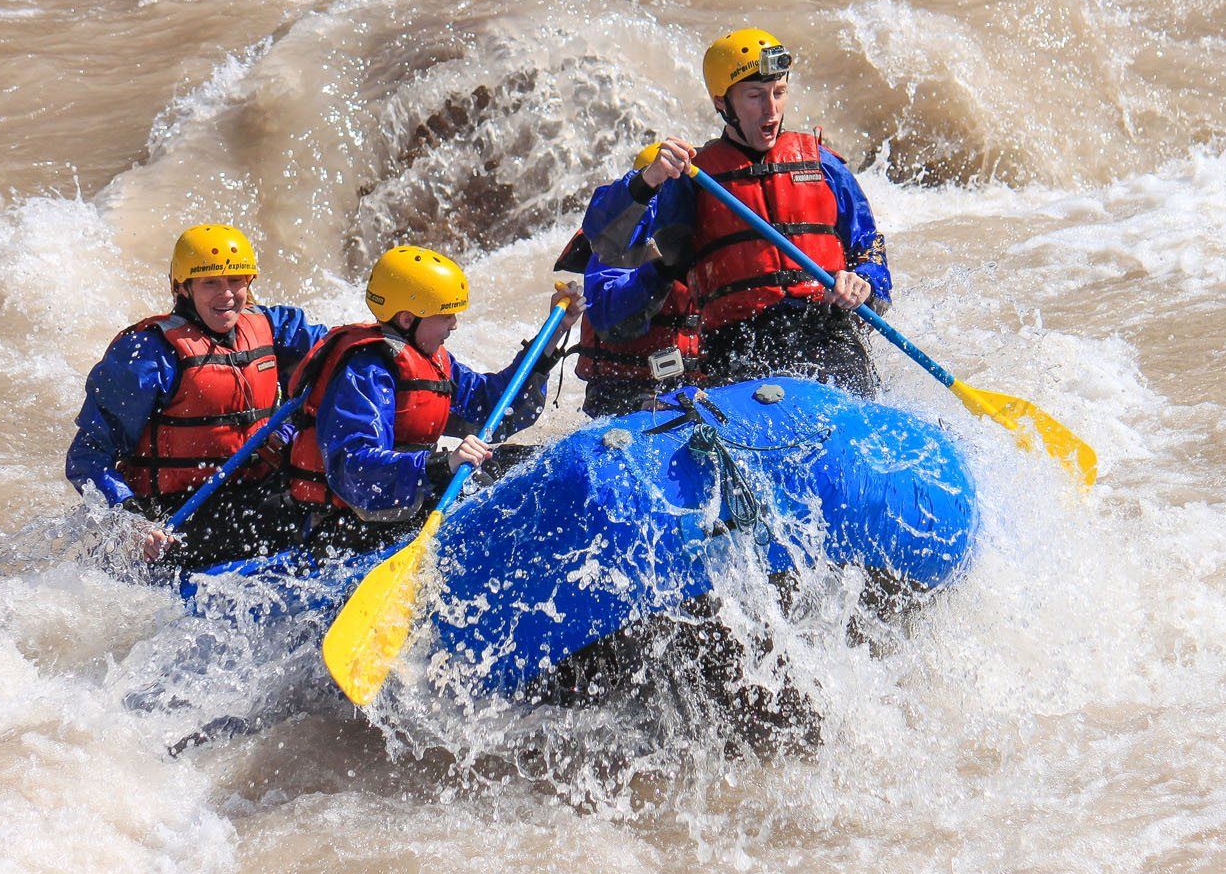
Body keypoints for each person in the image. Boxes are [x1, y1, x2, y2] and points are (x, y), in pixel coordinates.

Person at [581, 28, 893, 395]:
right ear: (721, 103)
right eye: (755, 96)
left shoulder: (824, 165)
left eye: (779, 92)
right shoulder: (692, 181)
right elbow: (606, 239)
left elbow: (869, 246)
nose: (771, 109)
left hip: (829, 335)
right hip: (741, 348)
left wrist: (865, 281)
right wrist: (647, 179)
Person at [286, 245, 584, 554]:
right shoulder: (364, 372)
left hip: (404, 502)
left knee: (538, 464)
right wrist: (443, 465)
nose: (454, 324)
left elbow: (493, 407)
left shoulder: (432, 359)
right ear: (406, 319)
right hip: (348, 526)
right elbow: (355, 469)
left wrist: (552, 335)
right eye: (446, 315)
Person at [67, 224, 327, 570]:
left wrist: (290, 430)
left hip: (257, 490)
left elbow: (337, 363)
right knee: (306, 513)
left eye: (237, 282)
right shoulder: (147, 356)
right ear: (182, 289)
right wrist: (131, 521)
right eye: (211, 283)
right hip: (179, 515)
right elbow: (86, 458)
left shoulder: (275, 326)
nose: (228, 295)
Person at [554, 147, 702, 418]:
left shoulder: (699, 224)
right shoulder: (615, 240)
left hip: (689, 384)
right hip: (621, 392)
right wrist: (661, 269)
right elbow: (608, 315)